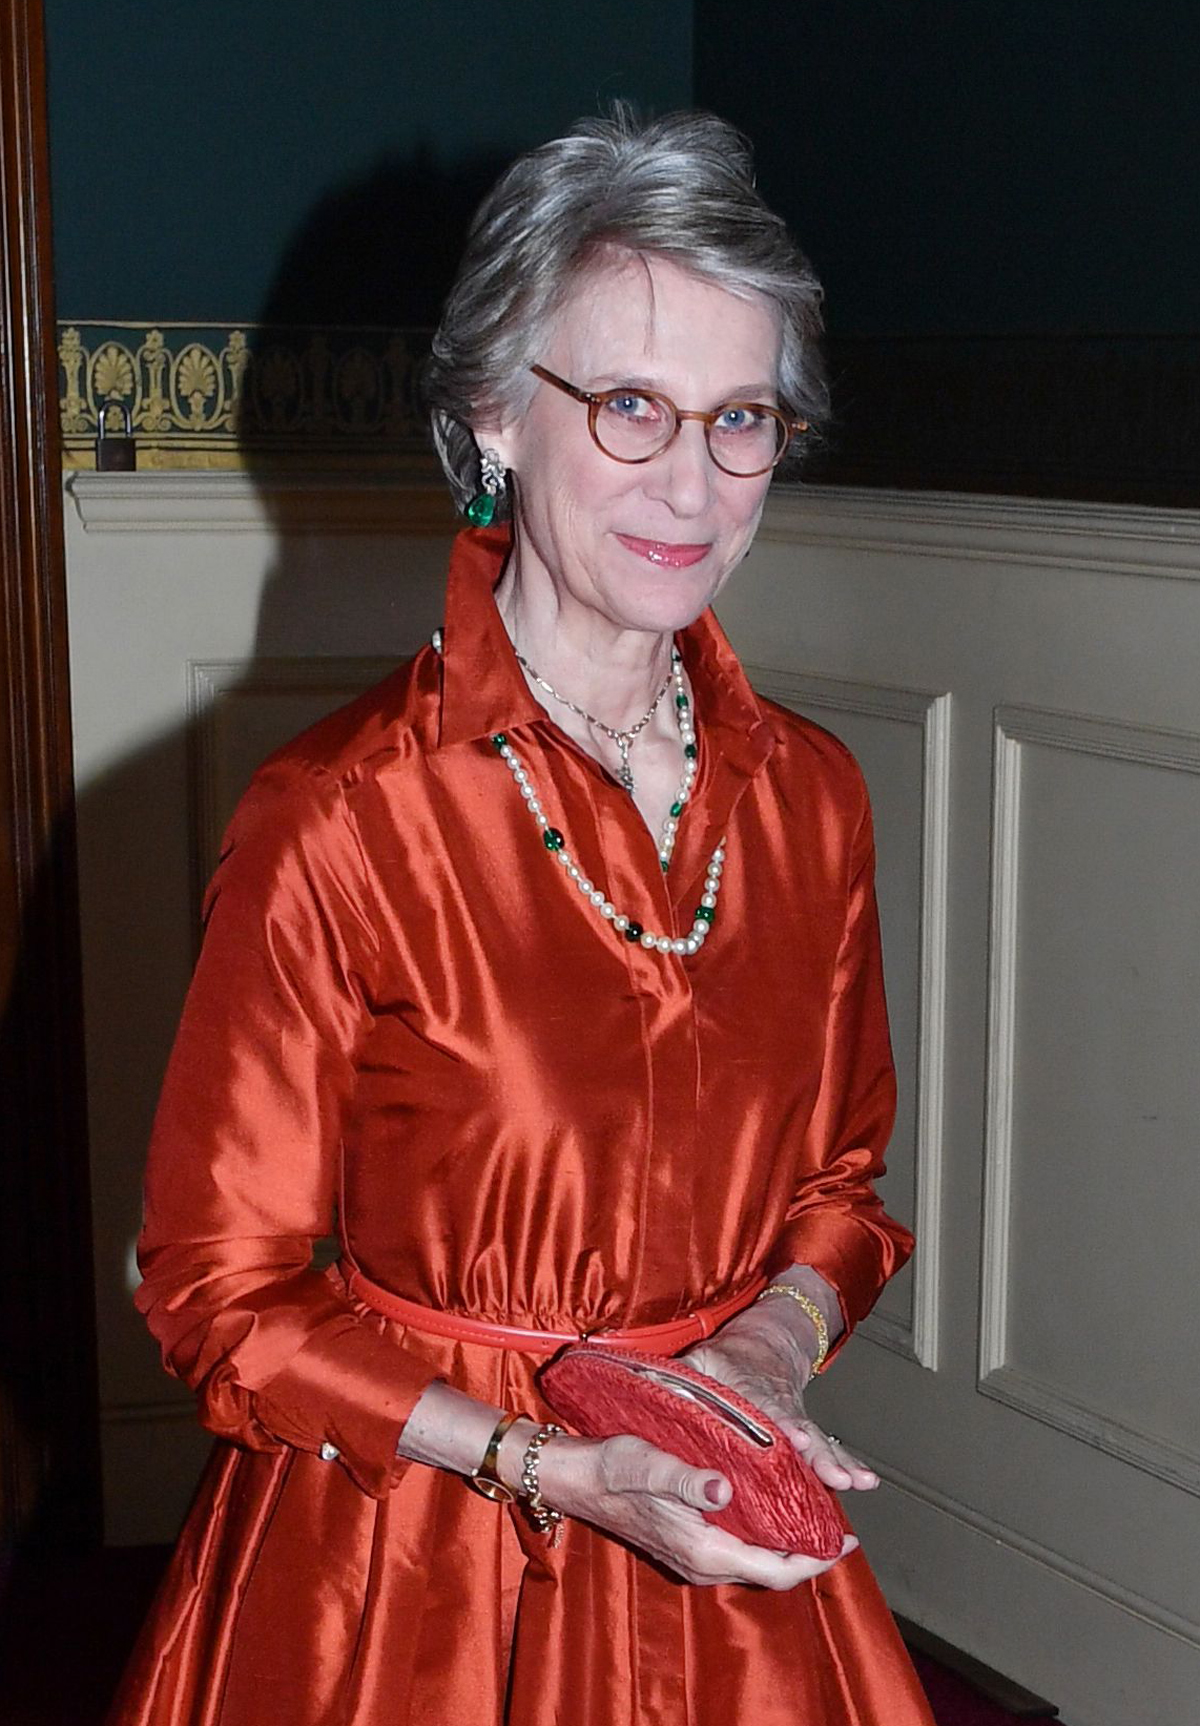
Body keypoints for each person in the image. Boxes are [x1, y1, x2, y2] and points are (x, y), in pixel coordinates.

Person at [110, 109, 936, 1726]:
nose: (691, 484)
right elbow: (220, 1295)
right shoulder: (341, 818)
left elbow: (844, 1189)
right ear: (493, 411)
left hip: (718, 1545)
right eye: (631, 406)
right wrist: (554, 1457)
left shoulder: (813, 798)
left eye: (742, 417)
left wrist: (764, 1350)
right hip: (412, 1572)